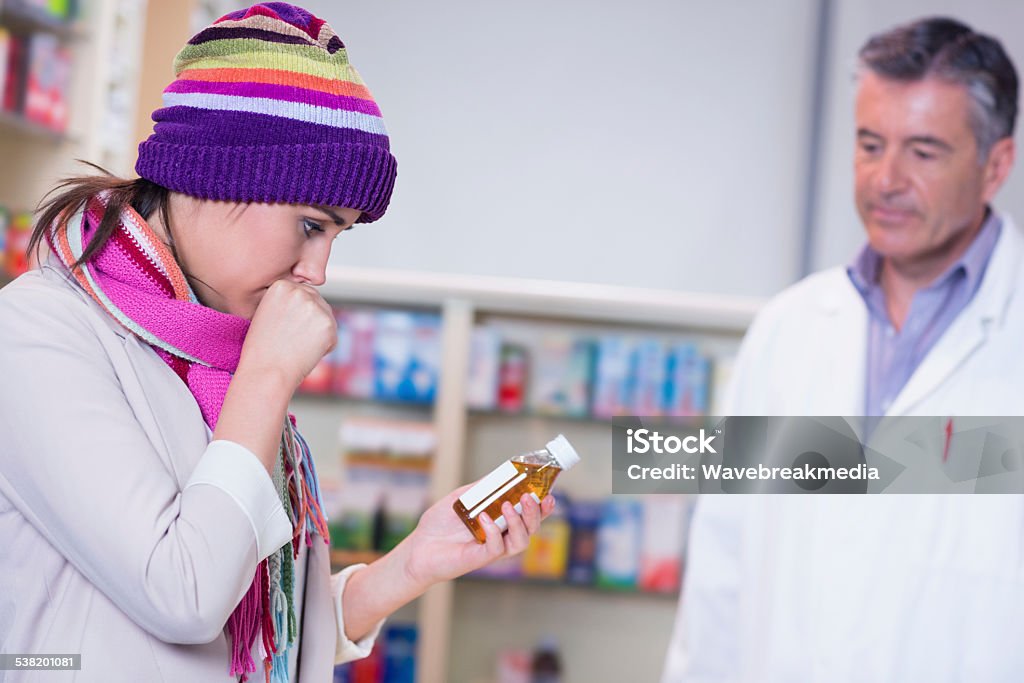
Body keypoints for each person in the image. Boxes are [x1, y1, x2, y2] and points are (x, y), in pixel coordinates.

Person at [0, 4, 555, 682]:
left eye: (337, 236)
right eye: (311, 225)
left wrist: (409, 564)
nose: (317, 271)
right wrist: (265, 376)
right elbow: (184, 595)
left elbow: (268, 628)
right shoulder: (37, 333)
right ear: (219, 174)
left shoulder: (220, 351)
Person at [662, 17, 1024, 682]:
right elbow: (722, 568)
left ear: (995, 164)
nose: (884, 179)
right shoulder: (789, 330)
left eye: (922, 151)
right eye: (869, 143)